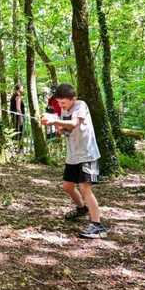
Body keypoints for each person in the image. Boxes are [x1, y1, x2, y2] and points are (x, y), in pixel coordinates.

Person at [41, 83, 108, 239]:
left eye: (63, 102)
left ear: (73, 99)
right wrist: (58, 128)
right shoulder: (65, 109)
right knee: (67, 186)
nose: (60, 105)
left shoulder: (80, 105)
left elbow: (74, 123)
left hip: (87, 154)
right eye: (58, 102)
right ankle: (82, 208)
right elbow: (67, 130)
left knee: (85, 188)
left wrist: (54, 121)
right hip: (73, 155)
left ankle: (97, 225)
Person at [9, 84, 26, 148]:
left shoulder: (13, 96)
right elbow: (18, 108)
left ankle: (15, 147)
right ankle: (19, 148)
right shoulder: (18, 96)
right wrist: (21, 117)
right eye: (22, 88)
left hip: (14, 116)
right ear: (19, 89)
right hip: (18, 117)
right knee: (19, 132)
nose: (23, 89)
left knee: (15, 131)